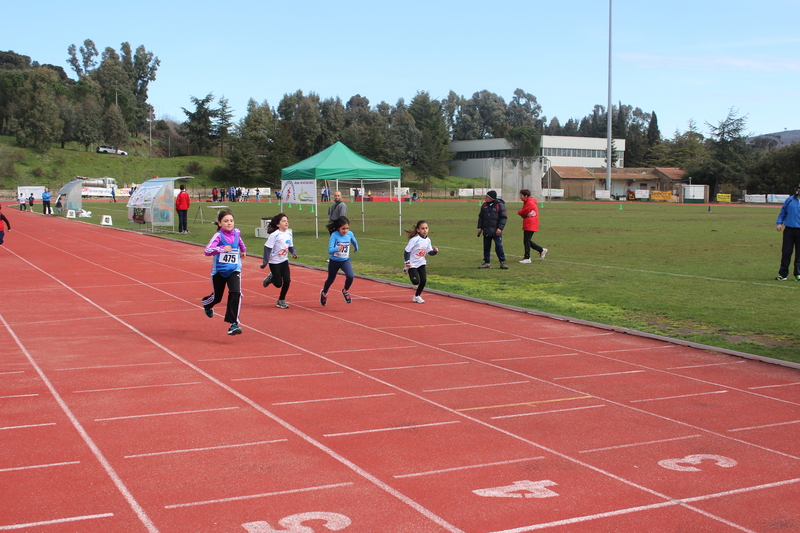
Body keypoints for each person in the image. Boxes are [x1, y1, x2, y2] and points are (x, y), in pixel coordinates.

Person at [201, 209, 247, 335]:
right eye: (226, 221)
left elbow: (240, 242)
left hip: (234, 269)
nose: (229, 223)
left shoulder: (237, 232)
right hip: (219, 272)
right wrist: (222, 249)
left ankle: (233, 324)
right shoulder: (218, 236)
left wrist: (243, 250)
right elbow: (207, 251)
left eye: (231, 221)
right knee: (217, 298)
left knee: (236, 293)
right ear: (220, 223)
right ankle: (206, 304)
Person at [260, 213, 297, 308]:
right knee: (278, 284)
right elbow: (267, 248)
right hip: (274, 262)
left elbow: (291, 246)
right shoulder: (274, 235)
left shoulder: (289, 233)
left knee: (287, 281)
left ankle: (281, 300)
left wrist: (294, 252)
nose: (286, 223)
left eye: (287, 221)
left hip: (284, 261)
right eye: (283, 221)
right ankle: (271, 278)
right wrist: (265, 262)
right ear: (278, 224)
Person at [320, 216, 358, 306]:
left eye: (347, 228)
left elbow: (354, 241)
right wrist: (337, 249)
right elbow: (330, 250)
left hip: (345, 260)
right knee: (330, 280)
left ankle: (345, 291)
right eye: (343, 229)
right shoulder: (334, 235)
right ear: (338, 228)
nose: (345, 231)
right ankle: (324, 293)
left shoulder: (350, 234)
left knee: (350, 276)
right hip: (334, 261)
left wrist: (356, 247)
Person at [404, 220, 439, 303]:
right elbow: (406, 251)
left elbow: (429, 252)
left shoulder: (428, 240)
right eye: (422, 228)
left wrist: (435, 251)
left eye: (426, 228)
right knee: (416, 282)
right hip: (412, 264)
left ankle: (417, 296)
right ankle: (407, 269)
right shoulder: (414, 240)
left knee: (423, 280)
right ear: (418, 230)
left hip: (421, 262)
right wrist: (407, 262)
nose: (425, 230)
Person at [477, 190, 508, 269]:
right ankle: (487, 262)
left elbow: (503, 217)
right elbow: (481, 217)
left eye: (487, 197)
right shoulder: (484, 205)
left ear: (491, 198)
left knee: (498, 246)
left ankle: (502, 262)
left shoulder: (499, 205)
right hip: (486, 230)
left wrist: (500, 228)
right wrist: (480, 227)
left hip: (496, 230)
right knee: (486, 247)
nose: (485, 198)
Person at [775, 183, 800, 281]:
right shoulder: (790, 200)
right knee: (786, 252)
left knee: (799, 254)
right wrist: (779, 223)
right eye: (799, 188)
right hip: (789, 229)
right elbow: (783, 212)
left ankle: (798, 274)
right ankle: (783, 274)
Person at [517, 189, 548, 263]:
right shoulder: (528, 202)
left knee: (526, 240)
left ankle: (527, 257)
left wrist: (521, 213)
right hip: (530, 222)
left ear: (526, 196)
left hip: (530, 223)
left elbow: (522, 212)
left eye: (521, 195)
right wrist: (524, 214)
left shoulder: (529, 203)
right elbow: (524, 213)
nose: (520, 197)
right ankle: (541, 250)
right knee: (527, 240)